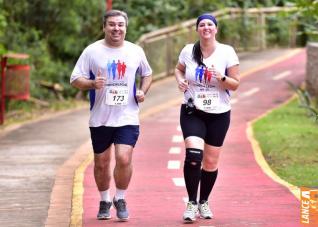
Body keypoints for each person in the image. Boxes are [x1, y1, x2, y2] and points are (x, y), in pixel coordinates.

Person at [70, 10, 152, 221]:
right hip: (101, 117)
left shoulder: (135, 51)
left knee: (124, 158)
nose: (116, 28)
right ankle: (105, 200)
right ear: (104, 27)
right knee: (102, 162)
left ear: (126, 27)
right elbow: (75, 79)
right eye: (112, 25)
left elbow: (147, 73)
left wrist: (143, 90)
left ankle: (121, 198)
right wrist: (91, 84)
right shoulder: (92, 51)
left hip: (127, 116)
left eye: (120, 25)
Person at [175, 13, 240, 223]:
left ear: (216, 29)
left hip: (219, 114)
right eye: (202, 25)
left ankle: (204, 200)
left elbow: (235, 84)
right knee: (194, 157)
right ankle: (191, 203)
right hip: (193, 111)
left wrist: (220, 77)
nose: (206, 28)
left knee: (210, 163)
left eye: (210, 24)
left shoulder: (226, 52)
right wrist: (180, 81)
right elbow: (178, 70)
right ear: (197, 30)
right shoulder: (188, 50)